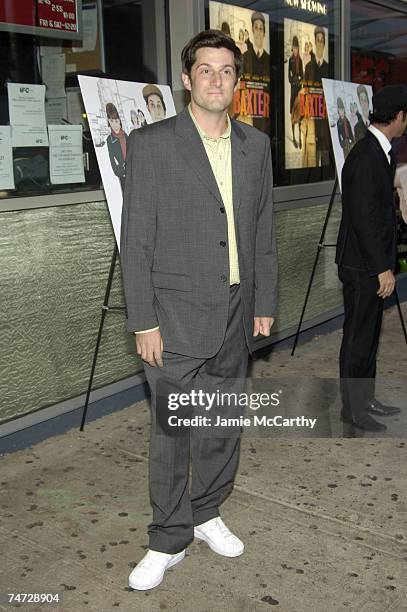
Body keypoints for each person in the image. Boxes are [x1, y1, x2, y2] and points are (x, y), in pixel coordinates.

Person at [121, 29, 277, 590]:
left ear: (238, 80)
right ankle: (167, 537)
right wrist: (144, 320)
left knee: (221, 422)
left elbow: (262, 230)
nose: (216, 79)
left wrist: (263, 301)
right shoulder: (154, 143)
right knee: (173, 429)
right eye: (205, 70)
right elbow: (135, 239)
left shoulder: (254, 146)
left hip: (237, 307)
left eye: (226, 70)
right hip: (174, 313)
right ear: (186, 79)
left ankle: (207, 511)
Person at [336, 84, 407, 431]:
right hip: (362, 265)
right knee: (358, 337)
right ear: (398, 117)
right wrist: (382, 268)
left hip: (372, 263)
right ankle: (352, 409)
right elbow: (364, 219)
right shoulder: (366, 156)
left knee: (371, 335)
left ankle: (366, 398)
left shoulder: (383, 151)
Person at [303, 26, 330, 167]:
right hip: (312, 116)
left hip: (324, 119)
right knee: (312, 158)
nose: (319, 43)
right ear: (315, 42)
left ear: (324, 43)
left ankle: (324, 173)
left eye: (322, 40)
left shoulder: (329, 68)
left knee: (324, 157)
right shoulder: (308, 67)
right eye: (317, 40)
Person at [105, 102, 127, 193]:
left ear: (120, 121)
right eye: (112, 121)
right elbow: (112, 160)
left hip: (135, 171)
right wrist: (120, 172)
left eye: (116, 121)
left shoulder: (127, 135)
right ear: (109, 122)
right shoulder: (110, 140)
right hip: (124, 175)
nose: (114, 125)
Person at [243, 11, 270, 78]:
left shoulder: (269, 59)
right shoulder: (245, 57)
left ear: (264, 33)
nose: (258, 32)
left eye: (261, 29)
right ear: (252, 30)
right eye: (256, 28)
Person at [288, 35, 303, 149]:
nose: (295, 50)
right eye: (294, 48)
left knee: (299, 111)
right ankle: (294, 137)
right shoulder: (290, 60)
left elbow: (302, 74)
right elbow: (289, 73)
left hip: (299, 86)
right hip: (293, 86)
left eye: (297, 48)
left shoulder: (300, 60)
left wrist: (299, 80)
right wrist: (291, 80)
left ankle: (300, 138)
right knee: (293, 111)